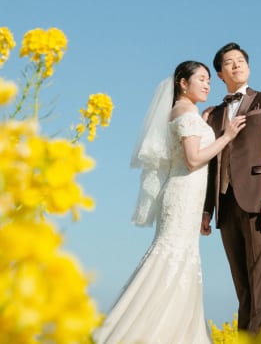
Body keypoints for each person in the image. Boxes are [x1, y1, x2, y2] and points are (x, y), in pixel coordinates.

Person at [95, 61, 246, 344]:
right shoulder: (184, 112)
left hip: (187, 196)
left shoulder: (188, 113)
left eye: (209, 81)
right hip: (181, 194)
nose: (207, 84)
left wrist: (204, 121)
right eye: (201, 79)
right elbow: (193, 160)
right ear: (182, 83)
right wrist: (227, 136)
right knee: (170, 257)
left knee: (181, 259)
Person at [202, 42, 261, 334]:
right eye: (229, 62)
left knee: (260, 278)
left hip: (259, 201)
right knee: (242, 284)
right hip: (225, 205)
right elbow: (211, 164)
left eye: (240, 60)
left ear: (248, 67)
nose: (236, 65)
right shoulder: (212, 115)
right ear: (220, 74)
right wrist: (206, 210)